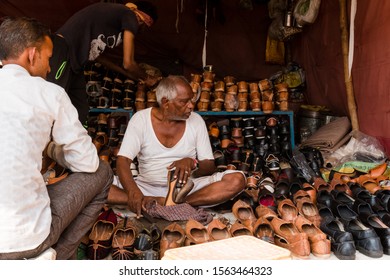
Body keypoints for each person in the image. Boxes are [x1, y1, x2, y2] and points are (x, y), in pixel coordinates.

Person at [0, 17, 113, 260]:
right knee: (102, 172)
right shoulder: (50, 93)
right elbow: (87, 162)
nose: (50, 68)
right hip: (22, 239)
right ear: (32, 55)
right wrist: (53, 150)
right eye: (49, 58)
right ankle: (62, 258)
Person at [109, 75, 246, 218]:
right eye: (184, 102)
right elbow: (123, 161)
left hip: (185, 189)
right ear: (165, 102)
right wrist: (133, 192)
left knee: (237, 179)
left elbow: (209, 167)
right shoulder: (141, 119)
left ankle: (173, 203)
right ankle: (155, 201)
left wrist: (192, 163)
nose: (191, 106)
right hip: (146, 187)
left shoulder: (196, 121)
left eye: (191, 100)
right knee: (97, 184)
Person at [46, 1, 160, 125]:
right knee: (53, 102)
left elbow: (99, 58)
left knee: (80, 110)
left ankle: (71, 143)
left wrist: (131, 76)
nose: (141, 30)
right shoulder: (130, 15)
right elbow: (128, 63)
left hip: (76, 64)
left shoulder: (116, 20)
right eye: (144, 26)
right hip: (64, 51)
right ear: (142, 18)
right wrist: (148, 78)